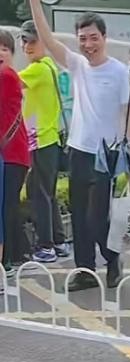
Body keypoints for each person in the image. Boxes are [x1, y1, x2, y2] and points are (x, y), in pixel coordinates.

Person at [28, 0, 130, 291]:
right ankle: (85, 271)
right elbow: (48, 39)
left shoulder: (118, 72)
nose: (88, 44)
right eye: (82, 39)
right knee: (79, 217)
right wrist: (34, 3)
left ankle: (112, 259)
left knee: (97, 218)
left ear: (104, 37)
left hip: (106, 155)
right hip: (78, 151)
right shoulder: (77, 65)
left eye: (93, 38)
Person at [19, 19, 68, 264]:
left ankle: (46, 246)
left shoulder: (37, 70)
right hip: (50, 140)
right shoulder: (50, 65)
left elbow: (9, 82)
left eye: (33, 41)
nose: (27, 46)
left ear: (45, 43)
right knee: (48, 193)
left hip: (39, 140)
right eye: (24, 41)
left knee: (38, 194)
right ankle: (59, 242)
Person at [0, 30, 30, 281]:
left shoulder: (7, 75)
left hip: (12, 153)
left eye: (4, 49)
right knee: (8, 205)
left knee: (7, 206)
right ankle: (18, 253)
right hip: (12, 152)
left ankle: (8, 259)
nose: (0, 53)